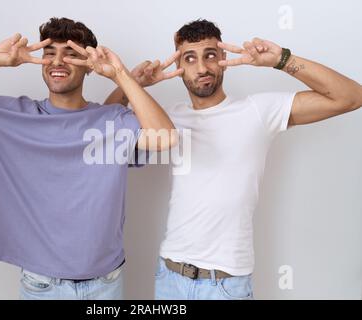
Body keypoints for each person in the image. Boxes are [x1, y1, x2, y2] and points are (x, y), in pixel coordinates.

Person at [0, 17, 178, 300]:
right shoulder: (10, 117)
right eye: (50, 54)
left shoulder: (112, 119)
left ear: (89, 66)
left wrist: (121, 75)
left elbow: (165, 137)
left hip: (105, 283)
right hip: (42, 287)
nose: (58, 62)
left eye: (71, 55)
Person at [105, 19, 362, 300]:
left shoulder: (257, 112)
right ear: (179, 66)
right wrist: (132, 82)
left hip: (227, 284)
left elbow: (350, 97)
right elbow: (104, 131)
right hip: (169, 277)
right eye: (190, 58)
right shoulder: (167, 119)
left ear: (224, 58)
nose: (202, 68)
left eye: (210, 56)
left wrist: (281, 60)